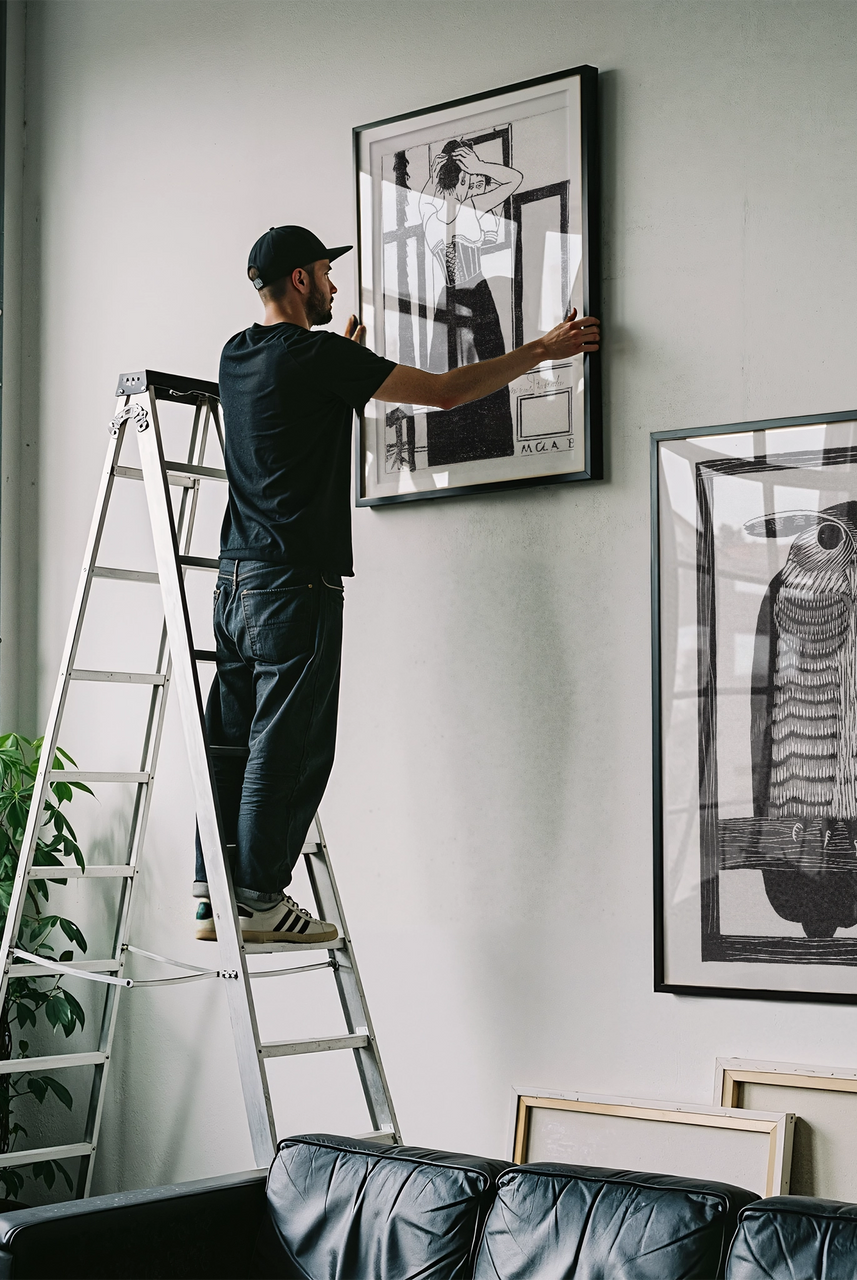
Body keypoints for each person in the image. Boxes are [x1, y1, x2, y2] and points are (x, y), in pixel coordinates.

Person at [195, 225, 599, 944]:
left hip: (233, 581)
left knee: (228, 737)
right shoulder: (319, 356)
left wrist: (344, 360)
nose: (333, 285)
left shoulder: (237, 354)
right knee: (287, 744)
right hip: (294, 583)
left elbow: (296, 414)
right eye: (324, 273)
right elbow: (444, 394)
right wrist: (543, 348)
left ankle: (210, 895)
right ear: (298, 280)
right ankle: (258, 898)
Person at [418, 139, 522, 465]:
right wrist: (477, 165)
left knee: (473, 374)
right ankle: (473, 452)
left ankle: (482, 451)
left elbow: (515, 180)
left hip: (458, 301)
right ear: (461, 178)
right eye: (468, 178)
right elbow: (513, 180)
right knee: (471, 374)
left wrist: (463, 168)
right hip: (466, 300)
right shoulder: (468, 209)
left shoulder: (430, 213)